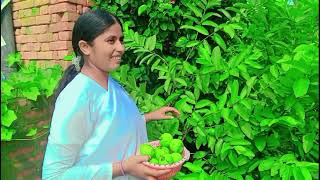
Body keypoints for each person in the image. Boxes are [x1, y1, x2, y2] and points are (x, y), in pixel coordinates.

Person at [42, 8, 180, 180]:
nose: (121, 48)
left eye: (121, 40)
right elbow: (54, 175)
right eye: (111, 40)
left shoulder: (111, 84)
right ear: (85, 47)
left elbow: (109, 125)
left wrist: (146, 117)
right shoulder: (76, 97)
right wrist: (123, 168)